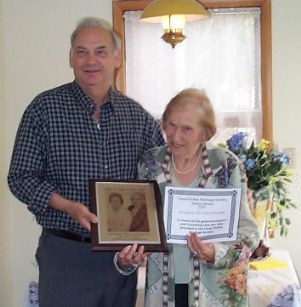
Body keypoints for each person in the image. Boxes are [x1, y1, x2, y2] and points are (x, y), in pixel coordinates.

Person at [7, 17, 164, 307]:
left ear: (117, 58)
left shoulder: (138, 117)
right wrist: (66, 205)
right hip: (65, 255)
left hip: (121, 259)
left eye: (100, 51)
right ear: (70, 58)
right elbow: (20, 177)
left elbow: (162, 179)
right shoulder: (43, 109)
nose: (90, 60)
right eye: (81, 51)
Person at [115, 88, 260, 307]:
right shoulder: (149, 165)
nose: (175, 136)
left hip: (213, 292)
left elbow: (249, 236)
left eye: (187, 129)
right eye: (171, 124)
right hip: (163, 290)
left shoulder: (226, 166)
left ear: (205, 133)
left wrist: (216, 253)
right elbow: (135, 230)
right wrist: (127, 259)